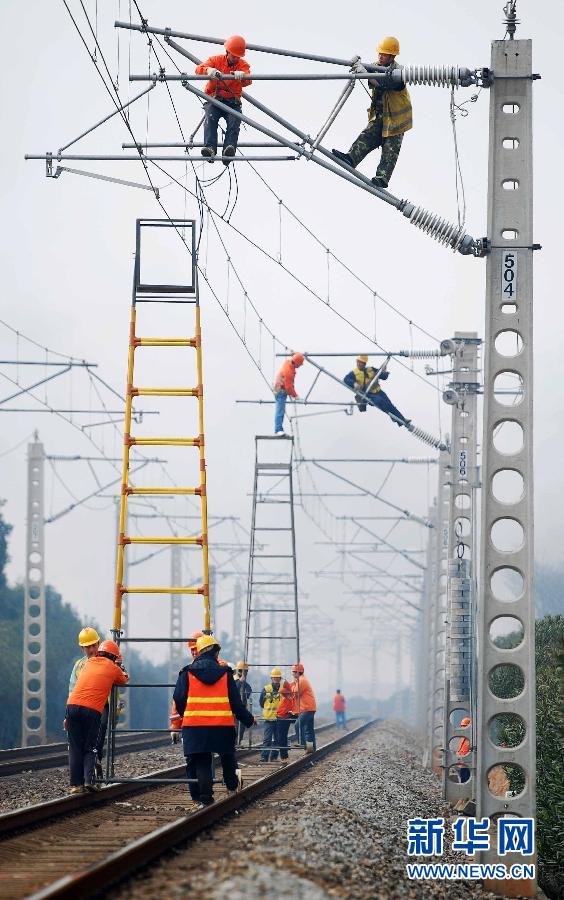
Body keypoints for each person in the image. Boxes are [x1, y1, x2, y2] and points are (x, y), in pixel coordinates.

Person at [173, 634, 255, 809]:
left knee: (202, 761)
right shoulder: (226, 674)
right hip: (222, 726)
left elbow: (178, 698)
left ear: (199, 652)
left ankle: (206, 799)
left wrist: (185, 714)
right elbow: (235, 703)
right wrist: (248, 719)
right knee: (227, 756)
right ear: (215, 653)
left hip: (195, 727)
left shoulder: (186, 673)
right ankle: (232, 788)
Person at [332, 36, 412, 188]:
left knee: (390, 149)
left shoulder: (399, 73)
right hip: (381, 116)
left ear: (392, 56)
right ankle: (351, 158)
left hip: (397, 120)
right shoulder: (376, 66)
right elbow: (369, 72)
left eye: (385, 54)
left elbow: (383, 84)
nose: (381, 56)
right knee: (367, 136)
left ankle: (381, 178)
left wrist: (366, 73)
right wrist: (357, 64)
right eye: (380, 53)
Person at [65, 639, 128, 795]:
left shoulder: (88, 664)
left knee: (75, 747)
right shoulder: (113, 668)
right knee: (90, 747)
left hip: (72, 706)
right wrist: (120, 666)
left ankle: (75, 785)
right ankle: (89, 781)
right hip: (92, 710)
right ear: (114, 657)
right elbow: (124, 680)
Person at [194, 35, 252, 164]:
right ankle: (210, 148)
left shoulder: (243, 65)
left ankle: (228, 151)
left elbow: (248, 80)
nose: (236, 58)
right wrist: (208, 70)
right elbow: (198, 69)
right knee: (211, 117)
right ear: (227, 52)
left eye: (238, 56)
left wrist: (242, 76)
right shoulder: (216, 60)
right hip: (214, 99)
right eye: (234, 55)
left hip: (232, 101)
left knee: (234, 120)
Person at [69, 627, 109, 781]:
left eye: (94, 645)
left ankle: (94, 766)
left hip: (102, 706)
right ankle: (89, 775)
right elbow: (72, 688)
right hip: (82, 707)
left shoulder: (107, 660)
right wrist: (68, 715)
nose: (92, 649)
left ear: (99, 643)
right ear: (82, 648)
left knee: (98, 739)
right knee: (84, 742)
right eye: (88, 647)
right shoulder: (79, 665)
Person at [344, 355, 411, 427]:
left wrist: (384, 372)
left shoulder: (371, 369)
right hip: (369, 394)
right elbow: (346, 379)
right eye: (358, 362)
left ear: (365, 363)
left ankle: (402, 419)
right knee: (380, 401)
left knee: (390, 405)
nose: (359, 364)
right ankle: (394, 417)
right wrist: (354, 384)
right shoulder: (354, 373)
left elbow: (383, 376)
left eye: (361, 362)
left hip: (379, 392)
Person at [170, 632, 204, 744]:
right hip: (191, 722)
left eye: (196, 649)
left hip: (210, 723)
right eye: (192, 650)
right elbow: (178, 699)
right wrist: (175, 725)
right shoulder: (186, 671)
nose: (194, 652)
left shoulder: (220, 667)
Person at [273, 352, 305, 436]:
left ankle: (279, 429)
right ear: (297, 363)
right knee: (280, 410)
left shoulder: (288, 362)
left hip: (279, 388)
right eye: (300, 364)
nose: (301, 366)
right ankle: (278, 429)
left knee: (280, 409)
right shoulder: (289, 372)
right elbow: (288, 387)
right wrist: (295, 395)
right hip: (281, 390)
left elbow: (289, 385)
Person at [290, 663, 317, 753]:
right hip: (309, 708)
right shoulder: (301, 680)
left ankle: (302, 743)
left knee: (298, 724)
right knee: (309, 729)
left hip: (307, 708)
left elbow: (295, 692)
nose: (292, 674)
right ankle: (311, 748)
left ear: (298, 672)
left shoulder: (301, 681)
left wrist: (292, 685)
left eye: (294, 672)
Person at [259, 668, 283, 761]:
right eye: (274, 678)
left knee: (277, 739)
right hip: (269, 719)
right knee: (267, 739)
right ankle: (264, 757)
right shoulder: (266, 689)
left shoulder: (283, 689)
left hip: (279, 719)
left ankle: (273, 757)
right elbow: (261, 702)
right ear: (271, 678)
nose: (276, 679)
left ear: (280, 678)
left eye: (277, 678)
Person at [275, 679, 296, 762]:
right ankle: (284, 756)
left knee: (282, 737)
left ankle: (284, 756)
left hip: (285, 716)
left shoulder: (288, 695)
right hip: (283, 716)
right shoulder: (287, 694)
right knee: (282, 737)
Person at [233, 660, 252, 745]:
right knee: (236, 728)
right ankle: (233, 745)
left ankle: (238, 743)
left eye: (245, 671)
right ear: (238, 671)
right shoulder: (234, 680)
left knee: (242, 727)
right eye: (241, 671)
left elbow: (249, 692)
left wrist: (243, 683)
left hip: (242, 708)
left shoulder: (245, 683)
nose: (243, 673)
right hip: (235, 710)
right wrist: (240, 681)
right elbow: (234, 691)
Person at [457, 716, 471, 783]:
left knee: (466, 779)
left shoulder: (472, 738)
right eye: (462, 726)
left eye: (465, 726)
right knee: (463, 778)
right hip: (462, 763)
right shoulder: (463, 737)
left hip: (468, 764)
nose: (463, 727)